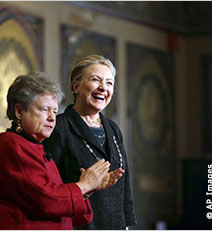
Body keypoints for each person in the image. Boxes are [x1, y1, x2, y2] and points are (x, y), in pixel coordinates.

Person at [0, 72, 123, 230]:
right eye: (44, 110)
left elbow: (58, 204)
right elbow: (45, 200)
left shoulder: (34, 146)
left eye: (54, 111)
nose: (52, 118)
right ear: (19, 111)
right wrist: (84, 185)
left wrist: (88, 189)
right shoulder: (12, 146)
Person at [43, 55, 137, 230]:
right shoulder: (59, 127)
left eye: (109, 83)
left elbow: (125, 185)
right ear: (76, 86)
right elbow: (49, 187)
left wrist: (126, 225)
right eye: (95, 80)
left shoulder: (113, 128)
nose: (103, 87)